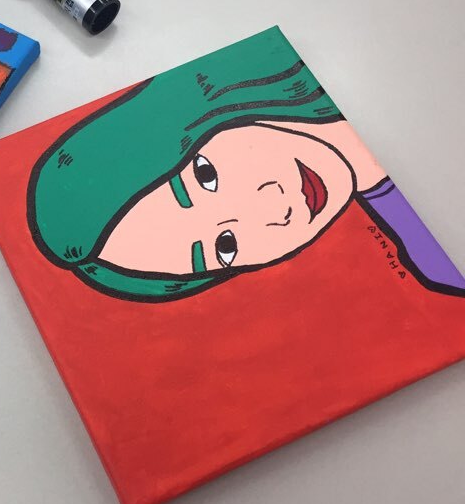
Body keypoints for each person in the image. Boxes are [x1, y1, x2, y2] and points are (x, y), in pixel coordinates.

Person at [28, 27, 465, 302]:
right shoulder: (432, 267)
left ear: (187, 127)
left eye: (205, 176)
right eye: (226, 246)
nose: (276, 208)